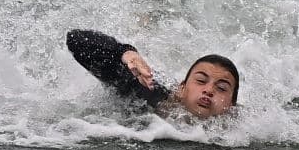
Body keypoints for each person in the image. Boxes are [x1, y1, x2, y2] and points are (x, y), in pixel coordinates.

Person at [66, 29, 239, 118]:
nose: (209, 90)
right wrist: (126, 53)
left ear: (231, 106)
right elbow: (76, 39)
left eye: (222, 88)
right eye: (201, 80)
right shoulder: (146, 91)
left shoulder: (241, 126)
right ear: (181, 89)